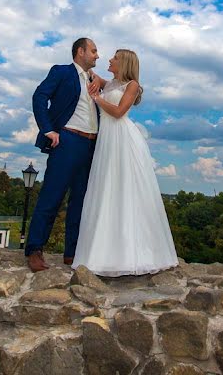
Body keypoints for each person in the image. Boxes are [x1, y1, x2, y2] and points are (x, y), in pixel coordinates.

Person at [73, 49, 178, 276]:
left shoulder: (132, 85)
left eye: (114, 58)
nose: (109, 60)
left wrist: (97, 98)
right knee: (106, 189)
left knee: (126, 189)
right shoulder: (108, 82)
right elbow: (88, 73)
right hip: (107, 140)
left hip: (122, 138)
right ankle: (104, 252)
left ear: (124, 63)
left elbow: (119, 112)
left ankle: (135, 253)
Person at [27, 37, 103, 272]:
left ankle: (73, 252)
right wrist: (48, 129)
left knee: (81, 200)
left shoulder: (95, 80)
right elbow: (39, 96)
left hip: (91, 145)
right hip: (68, 140)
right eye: (93, 50)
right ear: (80, 52)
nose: (97, 55)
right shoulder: (61, 72)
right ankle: (34, 250)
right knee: (52, 196)